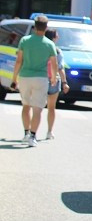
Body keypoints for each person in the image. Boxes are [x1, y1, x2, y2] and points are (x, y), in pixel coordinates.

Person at [11, 15, 58, 147]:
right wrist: (54, 78)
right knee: (37, 109)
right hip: (41, 78)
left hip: (25, 76)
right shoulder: (50, 44)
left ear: (34, 26)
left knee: (26, 106)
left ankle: (26, 133)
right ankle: (33, 136)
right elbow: (54, 64)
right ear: (46, 28)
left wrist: (14, 78)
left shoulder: (24, 40)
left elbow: (19, 60)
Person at [43, 29, 69, 140]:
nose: (58, 37)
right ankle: (49, 131)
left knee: (37, 107)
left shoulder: (41, 48)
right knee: (51, 108)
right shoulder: (57, 51)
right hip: (54, 80)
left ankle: (31, 131)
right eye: (57, 35)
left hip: (41, 78)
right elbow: (60, 68)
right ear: (54, 38)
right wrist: (64, 82)